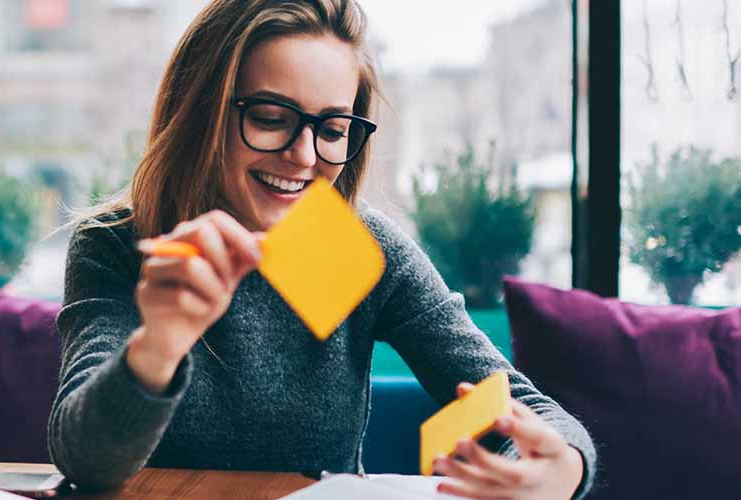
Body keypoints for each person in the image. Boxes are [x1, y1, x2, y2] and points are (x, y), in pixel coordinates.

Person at [48, 1, 596, 498]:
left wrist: (559, 468)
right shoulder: (121, 245)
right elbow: (86, 461)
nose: (304, 156)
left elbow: (513, 402)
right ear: (200, 112)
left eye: (332, 128)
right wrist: (159, 346)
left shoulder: (352, 249)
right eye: (269, 118)